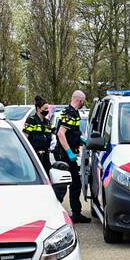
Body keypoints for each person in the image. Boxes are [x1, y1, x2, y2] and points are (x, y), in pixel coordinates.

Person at [55, 90, 90, 224]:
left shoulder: (69, 112)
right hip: (66, 155)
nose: (83, 104)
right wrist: (69, 152)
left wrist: (81, 140)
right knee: (66, 184)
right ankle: (69, 213)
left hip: (68, 152)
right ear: (80, 100)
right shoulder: (70, 113)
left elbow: (71, 133)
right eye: (84, 101)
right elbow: (61, 134)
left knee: (72, 183)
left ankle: (75, 212)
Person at [23, 96, 54, 175]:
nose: (47, 111)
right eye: (45, 109)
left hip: (46, 156)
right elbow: (25, 136)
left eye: (48, 109)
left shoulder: (47, 122)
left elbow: (55, 132)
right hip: (35, 155)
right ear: (38, 109)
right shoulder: (31, 120)